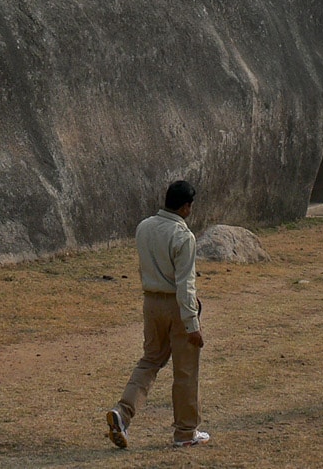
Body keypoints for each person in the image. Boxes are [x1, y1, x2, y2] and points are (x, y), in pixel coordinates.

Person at [106, 179, 210, 448]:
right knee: (185, 369)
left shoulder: (145, 227)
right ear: (186, 207)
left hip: (151, 302)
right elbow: (185, 283)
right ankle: (186, 432)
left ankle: (123, 412)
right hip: (176, 305)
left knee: (150, 361)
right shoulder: (183, 236)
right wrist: (192, 323)